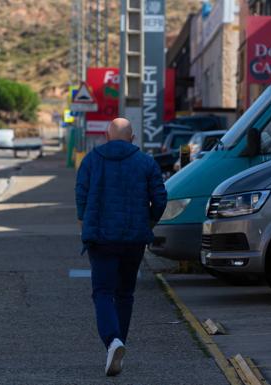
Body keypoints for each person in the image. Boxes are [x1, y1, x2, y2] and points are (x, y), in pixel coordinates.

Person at [75, 118, 167, 376]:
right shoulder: (146, 162)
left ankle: (112, 342)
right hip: (134, 239)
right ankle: (118, 346)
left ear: (106, 136)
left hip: (101, 238)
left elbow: (81, 194)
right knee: (125, 294)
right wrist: (148, 222)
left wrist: (84, 219)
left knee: (103, 292)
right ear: (133, 138)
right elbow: (160, 198)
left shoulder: (92, 160)